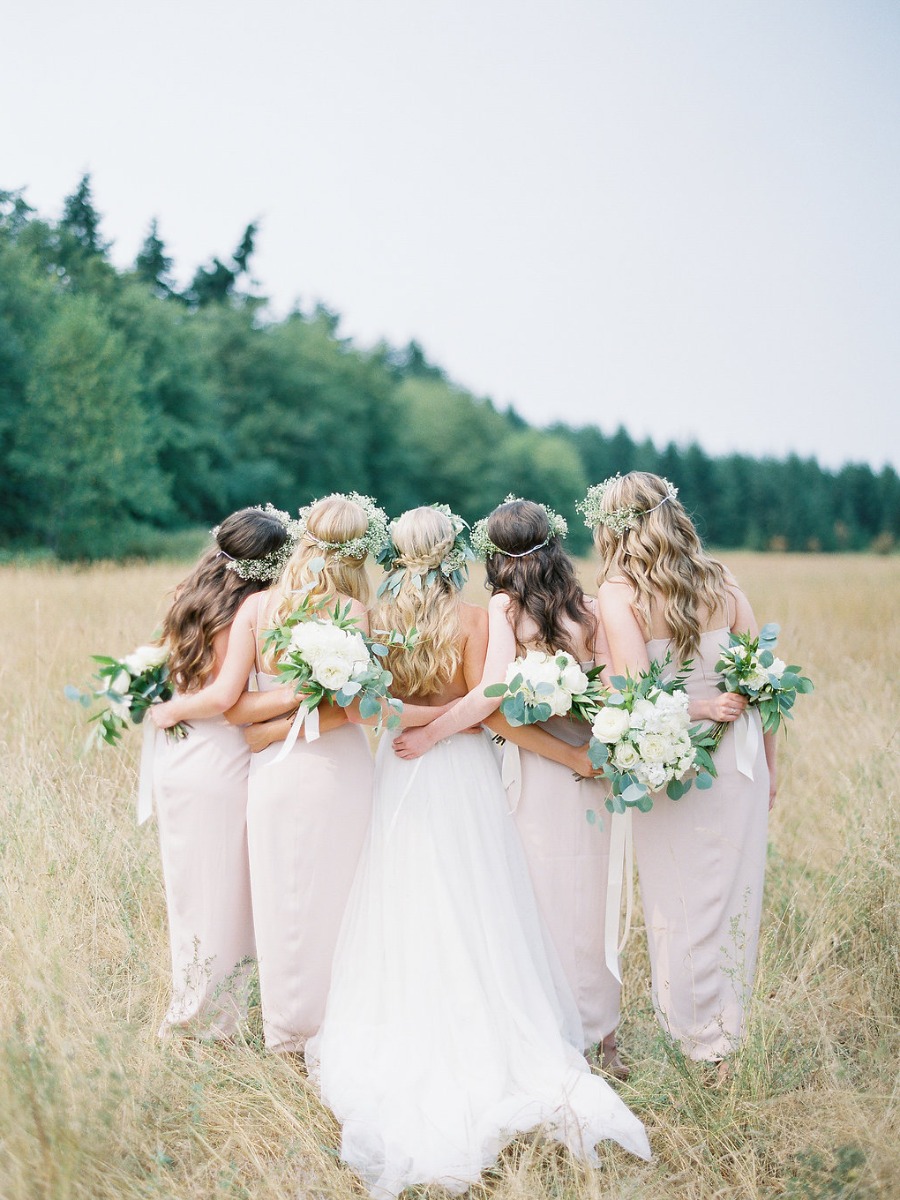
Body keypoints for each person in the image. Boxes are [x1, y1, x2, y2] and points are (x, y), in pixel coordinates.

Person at [309, 506, 650, 1199]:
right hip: (459, 767)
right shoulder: (476, 615)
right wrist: (441, 730)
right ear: (456, 550)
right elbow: (489, 697)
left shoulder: (372, 616)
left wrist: (413, 727)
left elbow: (367, 705)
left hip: (399, 768)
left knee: (407, 897)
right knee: (474, 895)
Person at [393, 498, 627, 1075]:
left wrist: (431, 734)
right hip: (594, 769)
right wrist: (593, 747)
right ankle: (605, 1039)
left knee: (537, 905)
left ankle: (556, 1030)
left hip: (540, 765)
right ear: (556, 544)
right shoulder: (591, 609)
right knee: (589, 901)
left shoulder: (502, 607)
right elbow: (619, 694)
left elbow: (493, 699)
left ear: (495, 555)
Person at [152, 493, 383, 1054]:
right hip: (333, 763)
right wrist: (302, 701)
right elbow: (361, 708)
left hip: (272, 765)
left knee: (285, 898)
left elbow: (236, 708)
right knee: (331, 894)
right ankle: (314, 1028)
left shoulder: (261, 608)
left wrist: (270, 731)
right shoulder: (352, 612)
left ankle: (287, 1031)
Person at [581, 471, 774, 1066]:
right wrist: (771, 764)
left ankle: (696, 1041)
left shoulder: (619, 594)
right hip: (741, 759)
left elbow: (638, 693)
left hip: (675, 759)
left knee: (679, 902)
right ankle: (724, 1038)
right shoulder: (723, 579)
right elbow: (759, 680)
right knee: (732, 898)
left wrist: (702, 708)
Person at [153, 504, 295, 1039]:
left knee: (192, 893)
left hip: (180, 760)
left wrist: (171, 708)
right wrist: (174, 709)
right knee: (224, 897)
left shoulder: (192, 596)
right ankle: (210, 1020)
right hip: (220, 760)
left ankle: (200, 1004)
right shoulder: (250, 609)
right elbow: (224, 696)